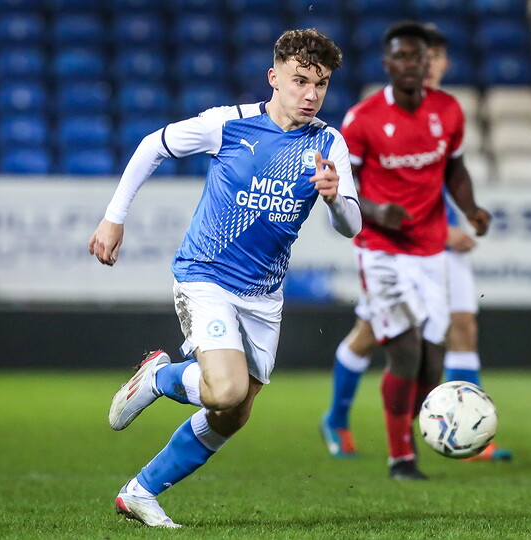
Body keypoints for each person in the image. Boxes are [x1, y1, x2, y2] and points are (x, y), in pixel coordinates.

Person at [88, 29, 360, 528]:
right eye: (300, 81)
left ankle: (139, 491)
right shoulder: (229, 125)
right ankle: (159, 377)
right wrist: (114, 216)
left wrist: (333, 196)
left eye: (320, 85)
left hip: (263, 297)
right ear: (274, 78)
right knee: (226, 389)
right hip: (205, 278)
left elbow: (352, 226)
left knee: (233, 413)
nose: (310, 94)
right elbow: (154, 144)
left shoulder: (328, 143)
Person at [319, 24, 510, 464]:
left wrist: (470, 210)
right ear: (389, 64)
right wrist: (377, 212)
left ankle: (445, 427)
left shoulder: (447, 110)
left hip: (431, 247)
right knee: (389, 340)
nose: (421, 64)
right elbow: (345, 187)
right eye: (405, 57)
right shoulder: (365, 119)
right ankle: (371, 434)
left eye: (427, 56)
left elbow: (453, 170)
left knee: (445, 337)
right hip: (384, 250)